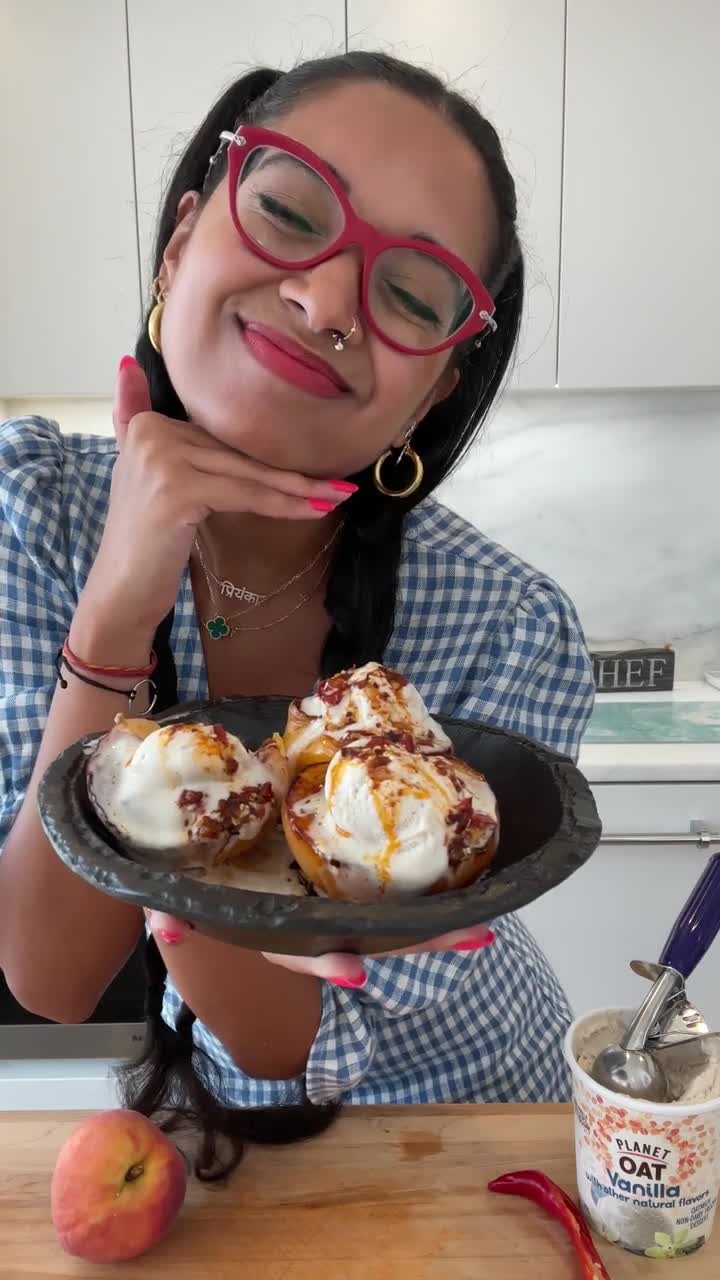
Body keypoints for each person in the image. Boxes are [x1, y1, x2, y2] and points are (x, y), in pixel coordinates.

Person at [0, 51, 595, 1179]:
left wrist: (201, 833)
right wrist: (121, 599)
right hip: (216, 1149)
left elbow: (295, 1043)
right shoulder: (30, 511)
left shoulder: (509, 622)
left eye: (411, 293)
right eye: (287, 212)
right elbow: (53, 974)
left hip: (480, 1131)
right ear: (183, 240)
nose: (325, 301)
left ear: (434, 390)